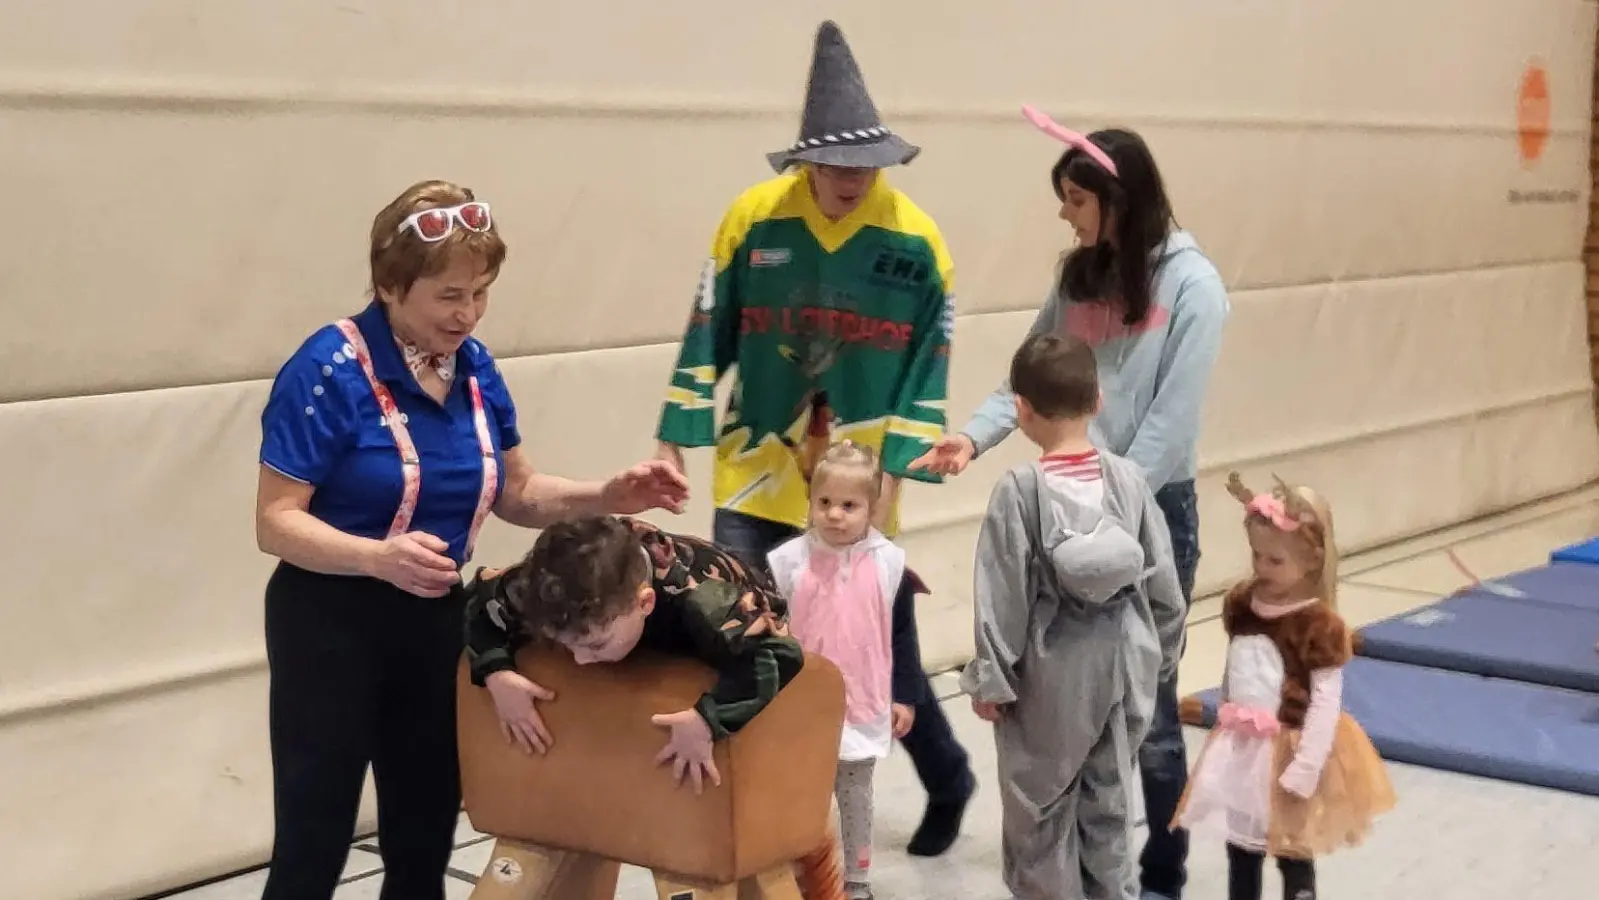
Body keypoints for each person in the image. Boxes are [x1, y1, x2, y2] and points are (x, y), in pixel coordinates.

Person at [253, 179, 689, 900]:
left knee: (425, 826)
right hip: (328, 622)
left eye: (481, 293)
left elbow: (517, 492)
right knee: (315, 832)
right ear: (391, 287)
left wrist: (607, 495)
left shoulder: (475, 370)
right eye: (449, 296)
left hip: (431, 618)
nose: (469, 314)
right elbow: (275, 522)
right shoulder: (327, 369)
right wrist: (374, 557)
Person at [652, 19, 975, 855]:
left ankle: (947, 775)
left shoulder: (915, 240)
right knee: (747, 638)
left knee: (876, 651)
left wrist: (904, 460)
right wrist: (672, 436)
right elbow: (706, 328)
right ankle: (771, 815)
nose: (845, 178)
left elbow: (930, 363)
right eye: (830, 162)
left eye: (861, 163)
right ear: (804, 160)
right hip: (755, 478)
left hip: (855, 490)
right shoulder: (752, 221)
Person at [910, 105, 1230, 897]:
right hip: (1063, 509)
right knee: (1059, 702)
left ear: (1117, 202)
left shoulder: (1193, 286)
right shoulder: (1075, 277)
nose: (1063, 213)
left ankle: (1157, 872)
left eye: (1074, 199)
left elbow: (1169, 422)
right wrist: (975, 438)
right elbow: (1033, 370)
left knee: (1144, 706)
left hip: (1146, 513)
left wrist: (1110, 502)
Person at [958, 332, 1187, 900]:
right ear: (1098, 401)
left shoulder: (1020, 491)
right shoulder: (1128, 479)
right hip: (1121, 668)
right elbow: (1165, 586)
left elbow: (1001, 594)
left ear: (1021, 410)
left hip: (1049, 678)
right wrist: (1156, 660)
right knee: (1108, 803)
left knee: (1040, 812)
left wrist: (993, 678)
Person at [462, 515, 806, 792]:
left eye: (595, 645)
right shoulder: (541, 588)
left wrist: (708, 718)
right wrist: (496, 671)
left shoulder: (702, 603)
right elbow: (478, 599)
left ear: (645, 603)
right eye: (564, 645)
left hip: (733, 614)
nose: (579, 661)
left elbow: (779, 650)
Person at [1172, 474, 1395, 900]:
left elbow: (1326, 702)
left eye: (1274, 561)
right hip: (1242, 744)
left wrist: (1308, 764)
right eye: (1257, 556)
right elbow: (1237, 663)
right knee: (1242, 845)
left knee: (1292, 846)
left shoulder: (1318, 624)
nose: (1260, 568)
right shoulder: (1243, 603)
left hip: (1292, 748)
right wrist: (1223, 711)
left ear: (1311, 561)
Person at [766, 441, 918, 900]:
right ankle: (799, 874)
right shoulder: (787, 561)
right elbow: (769, 633)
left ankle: (857, 879)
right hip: (802, 706)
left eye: (849, 505)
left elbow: (902, 634)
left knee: (855, 794)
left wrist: (904, 694)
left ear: (872, 508)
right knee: (801, 796)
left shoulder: (888, 562)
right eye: (824, 502)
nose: (834, 515)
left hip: (863, 699)